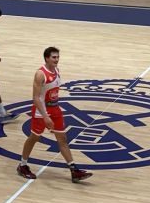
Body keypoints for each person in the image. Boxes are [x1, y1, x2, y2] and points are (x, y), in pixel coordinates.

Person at [16, 47, 93, 183]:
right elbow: (36, 98)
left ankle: (73, 170)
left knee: (62, 139)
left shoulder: (57, 70)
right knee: (34, 137)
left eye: (58, 57)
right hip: (41, 111)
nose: (56, 60)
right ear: (47, 58)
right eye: (54, 57)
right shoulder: (40, 74)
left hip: (55, 109)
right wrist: (45, 116)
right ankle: (22, 165)